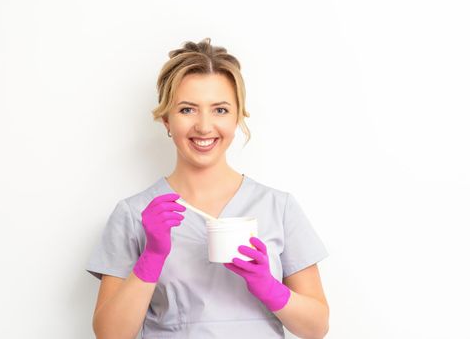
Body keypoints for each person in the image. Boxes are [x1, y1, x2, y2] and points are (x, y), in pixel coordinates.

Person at [86, 38, 330, 338]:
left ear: (238, 116)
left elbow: (317, 327)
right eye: (187, 110)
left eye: (220, 110)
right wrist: (151, 258)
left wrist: (269, 287)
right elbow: (110, 334)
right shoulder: (134, 214)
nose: (204, 126)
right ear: (166, 120)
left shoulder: (279, 207)